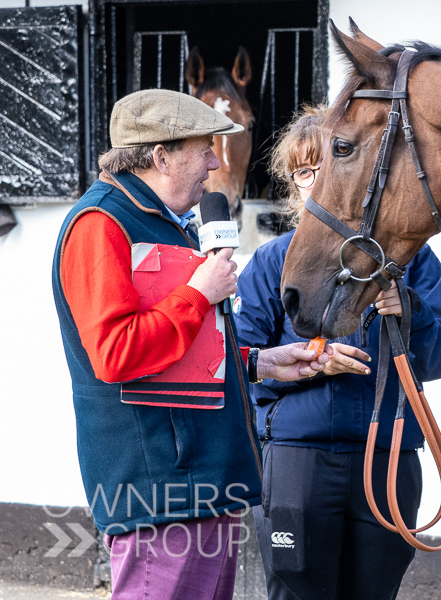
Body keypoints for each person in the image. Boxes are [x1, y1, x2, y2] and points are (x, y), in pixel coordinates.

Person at [51, 89, 329, 600]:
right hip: (160, 490)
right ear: (161, 157)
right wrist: (200, 292)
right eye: (204, 150)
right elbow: (116, 354)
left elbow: (180, 351)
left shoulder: (165, 221)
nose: (215, 164)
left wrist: (259, 362)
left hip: (203, 483)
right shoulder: (100, 224)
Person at [233, 104, 441, 600]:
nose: (316, 181)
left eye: (328, 167)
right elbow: (240, 362)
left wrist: (411, 311)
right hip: (298, 458)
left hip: (388, 457)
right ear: (294, 185)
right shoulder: (271, 262)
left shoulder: (412, 259)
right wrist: (312, 361)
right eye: (304, 172)